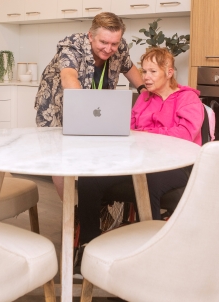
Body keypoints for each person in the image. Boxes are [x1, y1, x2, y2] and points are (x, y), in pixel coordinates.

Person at [75, 47, 205, 263]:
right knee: (90, 179)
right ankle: (88, 245)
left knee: (147, 181)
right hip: (141, 162)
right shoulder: (144, 98)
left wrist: (143, 135)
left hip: (178, 165)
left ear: (169, 72)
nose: (146, 77)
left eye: (153, 72)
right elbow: (129, 130)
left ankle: (150, 254)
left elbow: (183, 135)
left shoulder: (187, 98)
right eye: (144, 71)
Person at [35, 12, 145, 198]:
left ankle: (96, 203)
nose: (109, 48)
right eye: (103, 42)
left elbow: (128, 67)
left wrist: (145, 91)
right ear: (90, 35)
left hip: (95, 107)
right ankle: (70, 210)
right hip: (57, 105)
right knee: (60, 159)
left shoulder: (119, 46)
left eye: (114, 43)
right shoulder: (72, 45)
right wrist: (82, 106)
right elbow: (68, 76)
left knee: (98, 151)